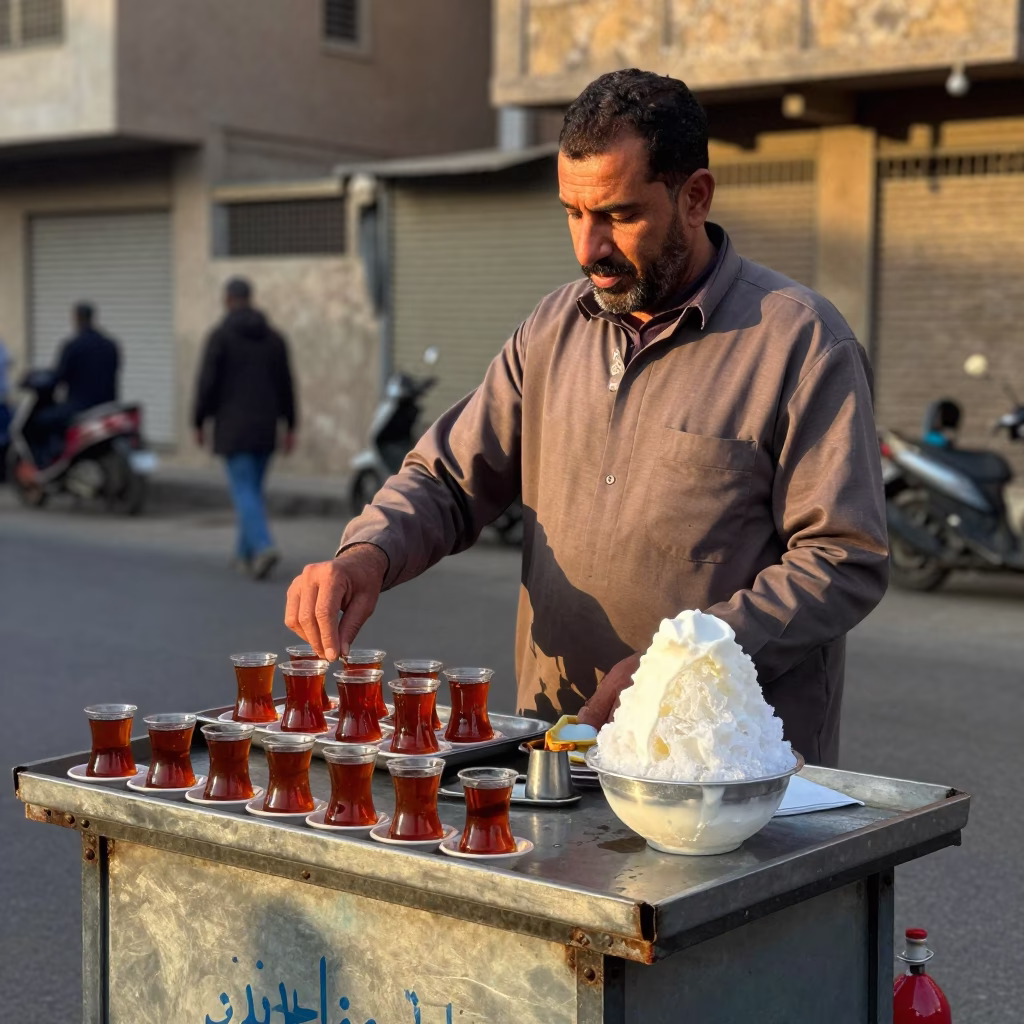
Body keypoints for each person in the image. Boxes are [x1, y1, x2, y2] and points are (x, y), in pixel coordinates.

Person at [284, 70, 889, 766]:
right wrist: (367, 555)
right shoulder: (551, 329)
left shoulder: (800, 341)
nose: (588, 248)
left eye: (619, 215)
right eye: (573, 212)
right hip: (559, 750)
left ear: (694, 197)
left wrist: (679, 666)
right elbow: (447, 479)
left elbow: (842, 558)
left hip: (725, 773)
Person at [194, 277, 296, 580]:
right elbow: (287, 386)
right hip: (266, 428)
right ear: (250, 299)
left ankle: (264, 546)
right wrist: (290, 425)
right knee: (251, 491)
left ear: (227, 300)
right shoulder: (275, 339)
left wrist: (198, 421)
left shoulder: (220, 337)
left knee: (244, 490)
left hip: (233, 428)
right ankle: (243, 553)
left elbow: (206, 384)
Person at [31, 303, 120, 464]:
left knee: (41, 420)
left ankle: (50, 460)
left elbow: (59, 376)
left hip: (80, 406)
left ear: (76, 318)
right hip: (108, 405)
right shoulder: (110, 344)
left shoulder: (74, 345)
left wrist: (39, 380)